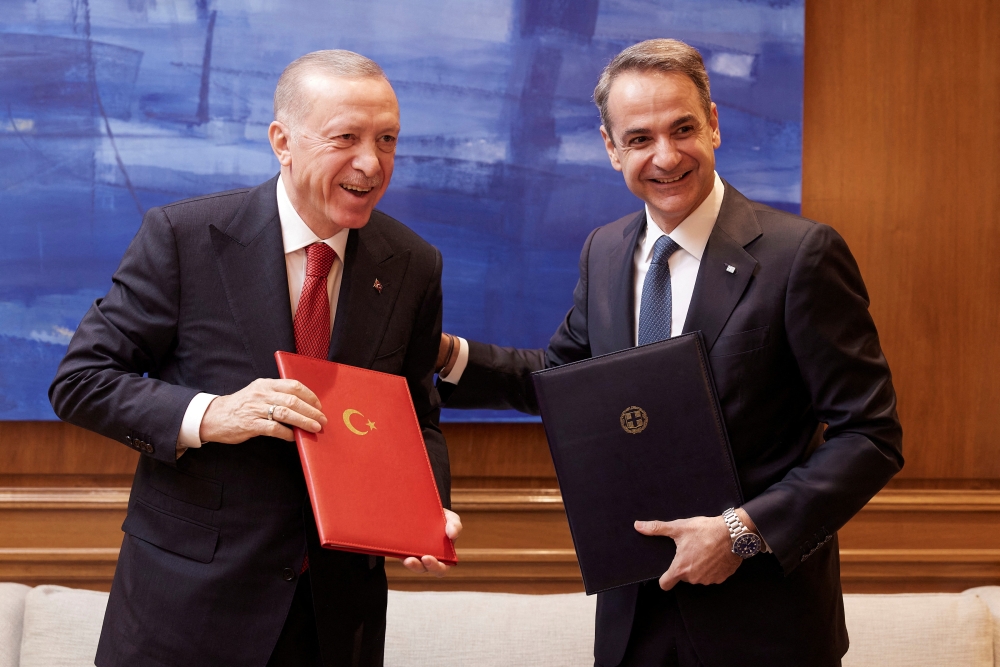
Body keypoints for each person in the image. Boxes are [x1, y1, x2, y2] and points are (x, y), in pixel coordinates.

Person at [436, 39, 903, 667]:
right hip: (634, 625)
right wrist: (444, 355)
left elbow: (870, 435)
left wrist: (741, 533)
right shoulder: (603, 253)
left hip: (766, 630)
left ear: (713, 122)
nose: (665, 156)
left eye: (682, 128)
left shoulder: (801, 256)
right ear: (610, 148)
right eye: (638, 139)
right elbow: (566, 381)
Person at [49, 50, 461, 667]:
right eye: (345, 138)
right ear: (282, 141)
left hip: (333, 620)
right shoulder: (184, 239)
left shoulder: (413, 264)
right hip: (186, 612)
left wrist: (424, 507)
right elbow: (81, 381)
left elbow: (415, 417)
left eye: (387, 139)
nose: (371, 163)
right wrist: (211, 414)